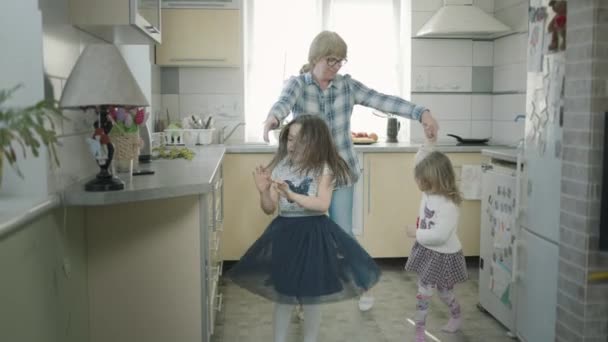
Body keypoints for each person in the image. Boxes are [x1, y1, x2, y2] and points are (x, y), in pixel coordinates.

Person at [262, 30, 440, 311]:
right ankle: (300, 293)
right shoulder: (298, 85)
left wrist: (421, 113)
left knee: (342, 232)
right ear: (315, 58)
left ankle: (362, 286)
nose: (335, 67)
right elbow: (283, 103)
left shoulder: (347, 87)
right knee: (305, 234)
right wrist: (273, 118)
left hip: (341, 173)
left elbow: (383, 100)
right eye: (330, 60)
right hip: (308, 176)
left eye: (340, 62)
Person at [227, 115, 381, 342]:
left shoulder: (324, 169)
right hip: (285, 235)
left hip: (314, 236)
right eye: (290, 139)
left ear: (316, 143)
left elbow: (322, 205)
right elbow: (269, 208)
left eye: (301, 140)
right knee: (284, 296)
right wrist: (262, 191)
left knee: (311, 298)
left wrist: (291, 194)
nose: (293, 145)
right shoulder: (280, 167)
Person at [404, 141, 468, 342]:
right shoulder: (429, 192)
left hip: (445, 255)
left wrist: (417, 232)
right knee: (423, 292)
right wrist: (428, 142)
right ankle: (420, 331)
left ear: (435, 180)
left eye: (422, 180)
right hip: (428, 252)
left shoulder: (448, 205)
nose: (418, 184)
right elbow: (421, 160)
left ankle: (456, 316)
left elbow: (440, 236)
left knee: (445, 292)